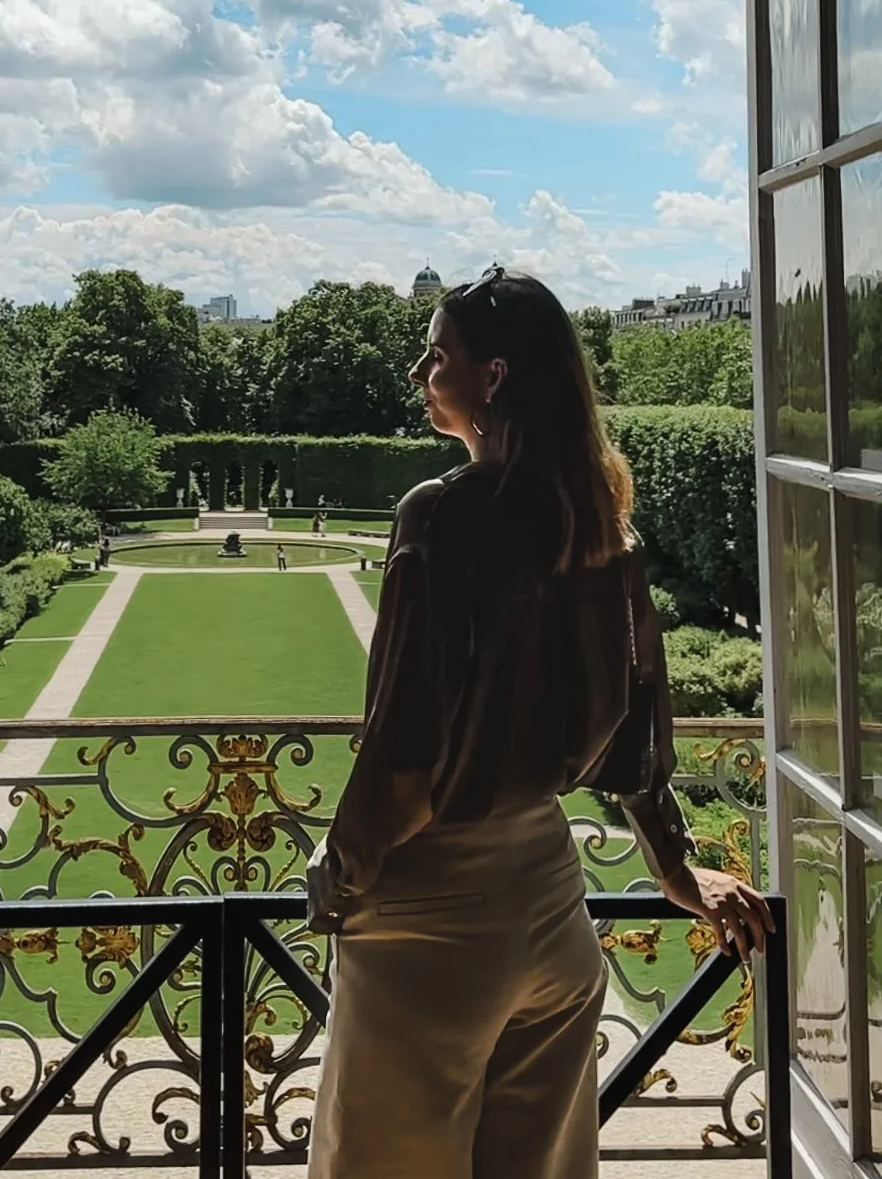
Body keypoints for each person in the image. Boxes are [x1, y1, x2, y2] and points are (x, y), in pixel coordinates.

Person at [306, 268, 773, 1179]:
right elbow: (641, 734)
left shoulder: (439, 517)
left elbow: (404, 752)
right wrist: (674, 868)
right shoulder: (603, 523)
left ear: (494, 376)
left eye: (436, 355)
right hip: (553, 916)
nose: (419, 373)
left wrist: (341, 870)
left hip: (431, 918)